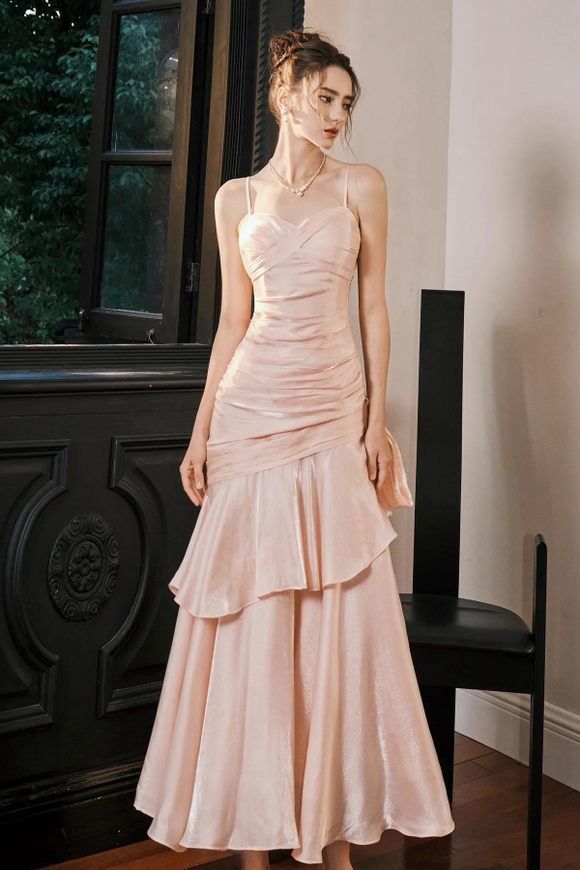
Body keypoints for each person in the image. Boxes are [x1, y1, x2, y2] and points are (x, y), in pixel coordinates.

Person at [134, 27, 455, 870]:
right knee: (257, 620)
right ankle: (256, 837)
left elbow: (375, 308)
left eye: (347, 104)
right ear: (286, 94)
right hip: (252, 411)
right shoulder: (235, 198)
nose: (338, 116)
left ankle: (333, 837)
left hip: (331, 405)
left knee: (341, 616)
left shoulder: (362, 185)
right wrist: (203, 431)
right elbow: (232, 322)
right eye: (325, 98)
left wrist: (377, 419)